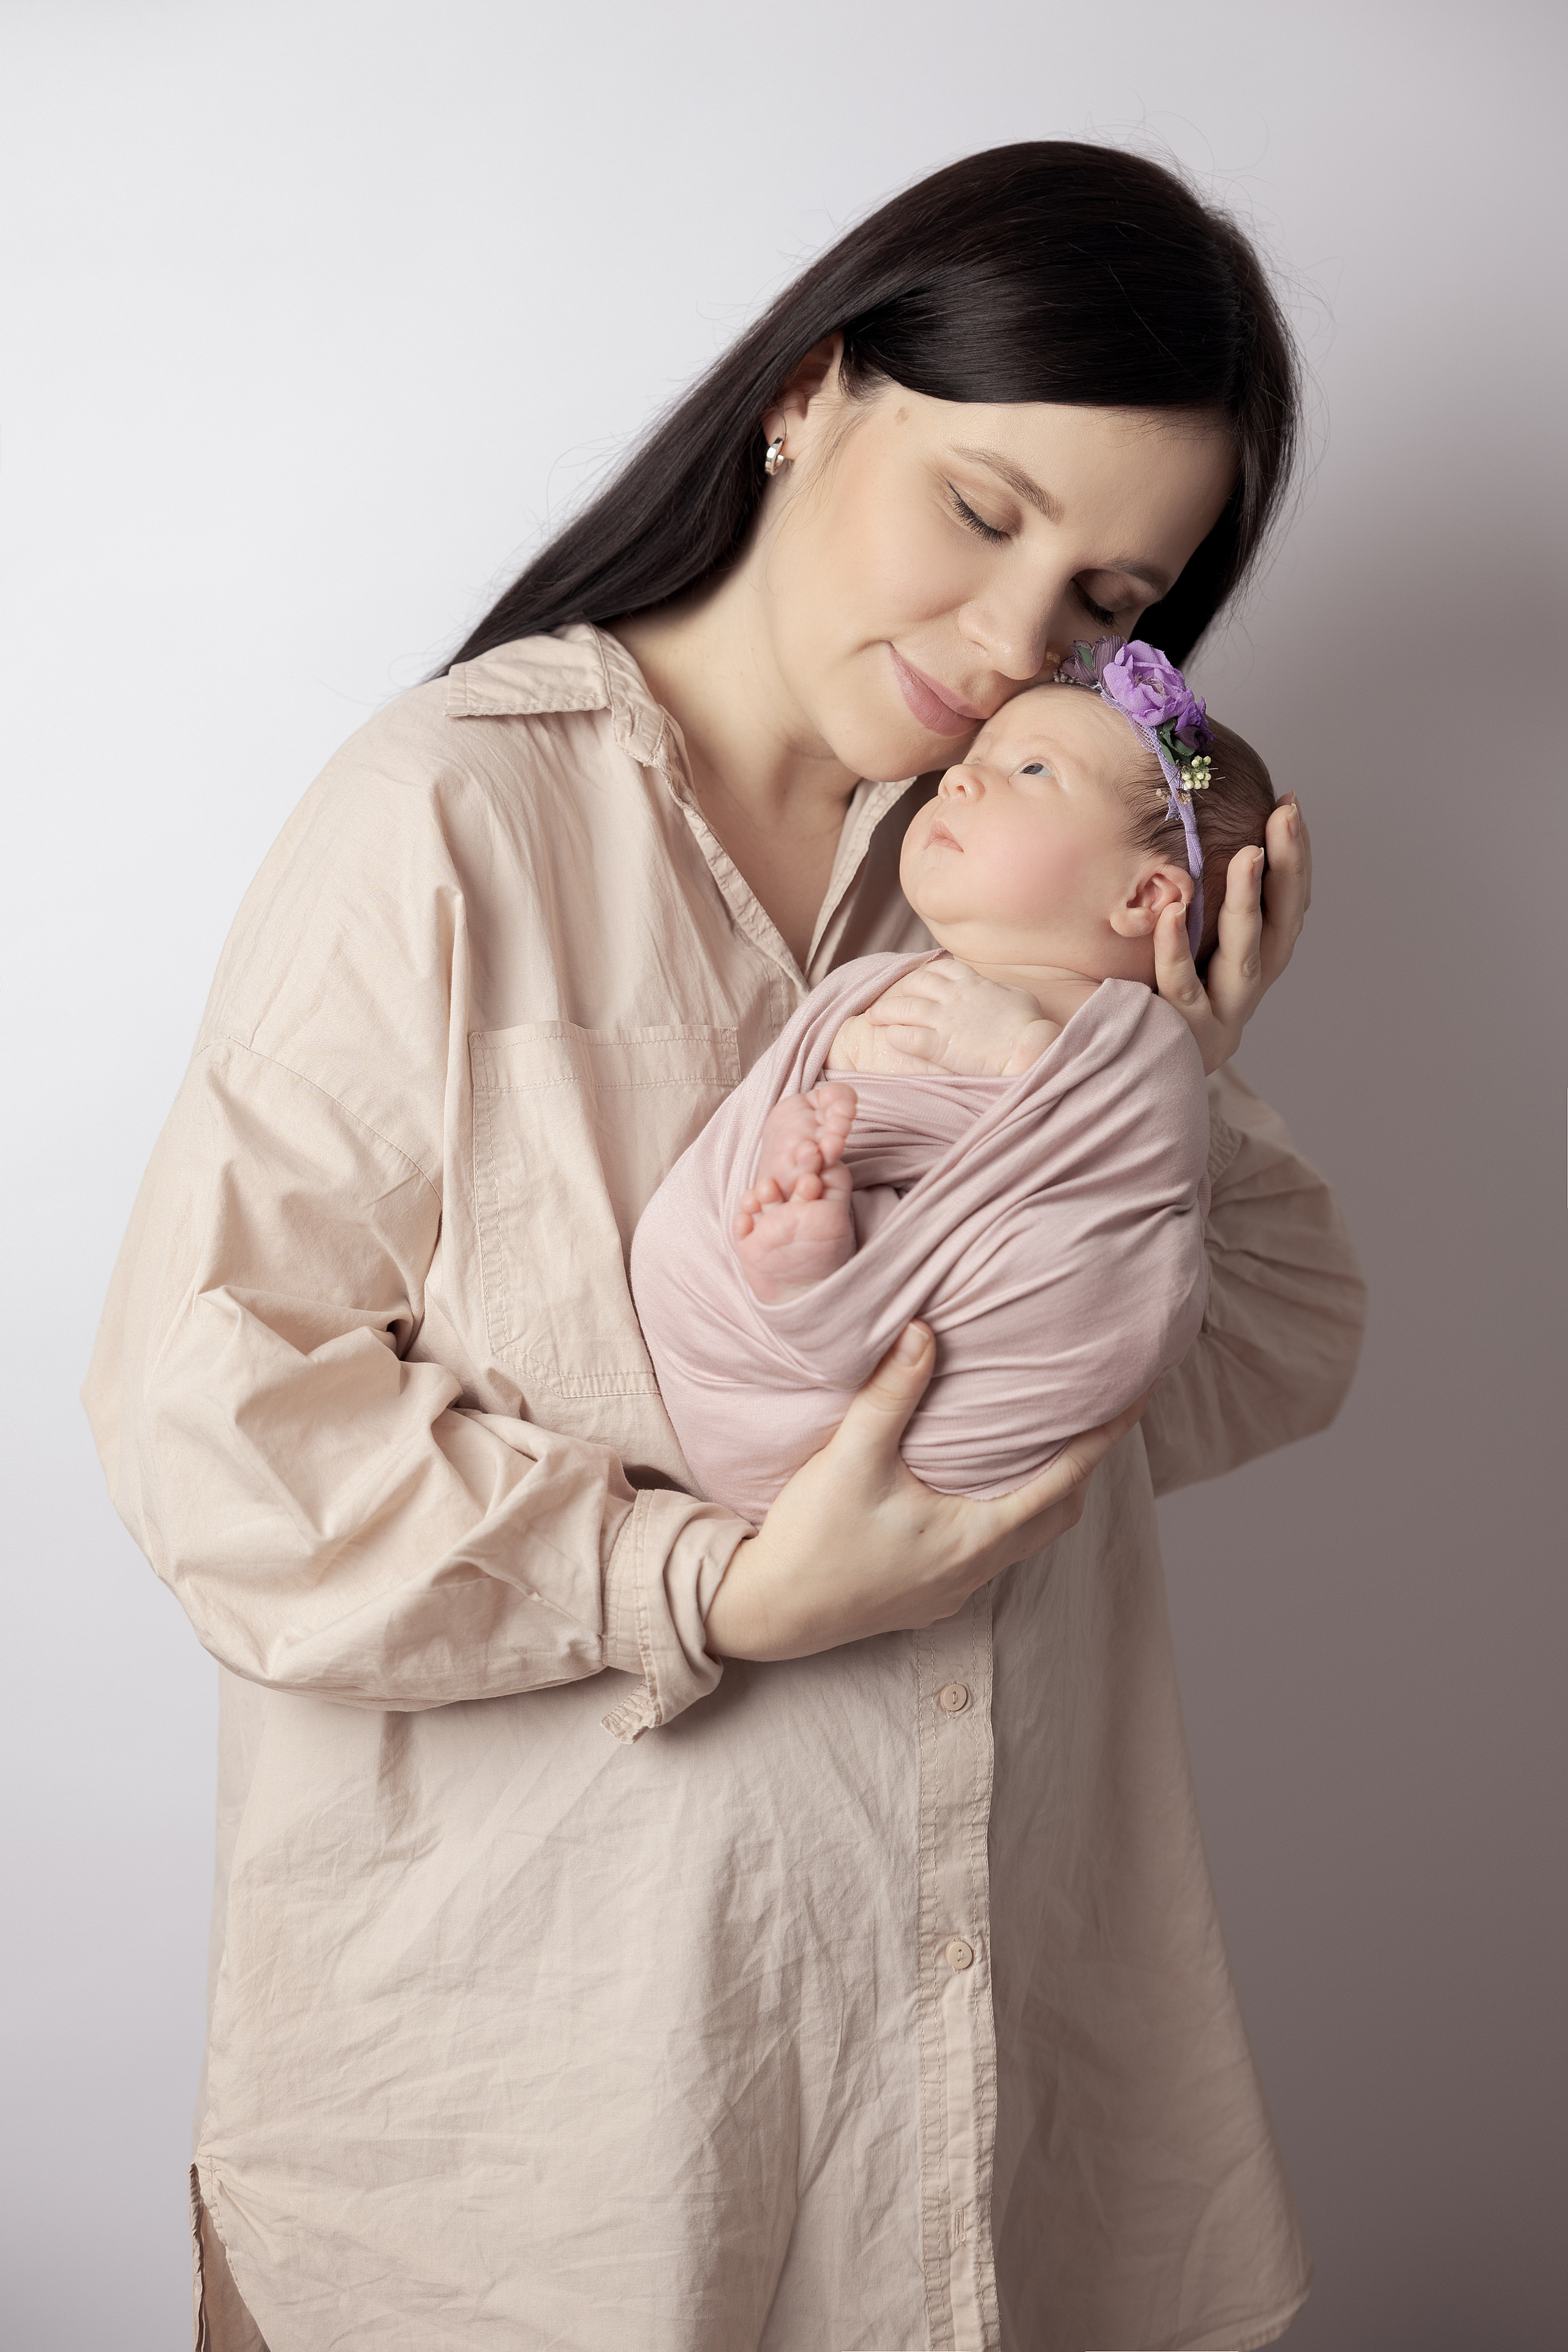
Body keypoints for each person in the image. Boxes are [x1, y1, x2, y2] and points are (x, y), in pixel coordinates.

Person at [84, 143, 1365, 2352]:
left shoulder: (1056, 885)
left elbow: (1227, 1391)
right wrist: (707, 1588)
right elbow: (217, 1427)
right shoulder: (458, 817)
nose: (1009, 643)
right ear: (809, 392)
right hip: (533, 2163)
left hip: (986, 2125)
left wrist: (1171, 1083)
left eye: (1104, 606)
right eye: (982, 511)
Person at [631, 644, 1277, 1526]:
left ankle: (823, 1268)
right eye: (974, 762)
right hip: (748, 1395)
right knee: (797, 1152)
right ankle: (816, 1259)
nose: (962, 782)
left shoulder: (1138, 1047)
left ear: (1143, 899)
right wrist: (860, 1048)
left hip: (953, 1395)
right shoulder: (882, 977)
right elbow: (834, 1074)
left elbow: (1128, 1194)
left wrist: (1022, 1053)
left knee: (1139, 1202)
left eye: (1033, 769)